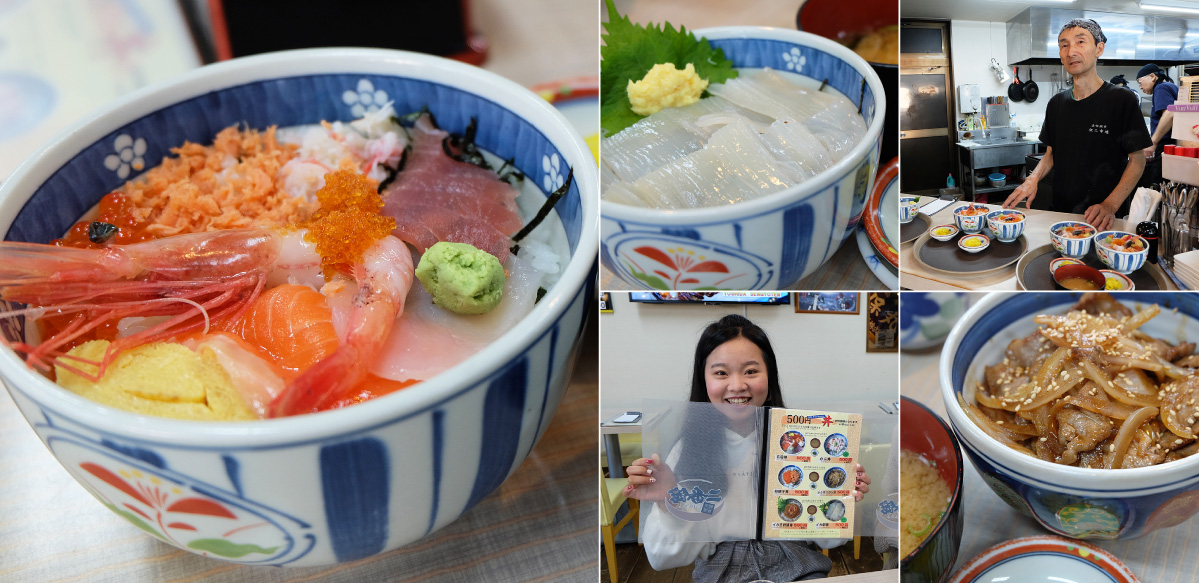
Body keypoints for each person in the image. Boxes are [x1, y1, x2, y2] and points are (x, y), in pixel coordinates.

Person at [622, 314, 872, 582]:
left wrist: (839, 497)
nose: (737, 385)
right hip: (721, 569)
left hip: (796, 562)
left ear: (770, 375)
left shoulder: (804, 441)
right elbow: (663, 559)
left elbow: (831, 539)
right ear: (704, 380)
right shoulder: (688, 449)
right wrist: (667, 502)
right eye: (720, 372)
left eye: (751, 371)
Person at [1003, 19, 1151, 230]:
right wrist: (1032, 179)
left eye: (1080, 42)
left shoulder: (1122, 100)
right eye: (1064, 45)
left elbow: (1138, 161)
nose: (1071, 51)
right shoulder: (1056, 103)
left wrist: (1110, 204)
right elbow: (1051, 154)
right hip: (1061, 214)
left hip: (1104, 218)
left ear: (1099, 48)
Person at [1138, 63, 1179, 187]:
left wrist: (1153, 142)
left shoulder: (1161, 88)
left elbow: (1170, 113)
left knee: (1159, 189)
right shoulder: (1170, 86)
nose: (1140, 87)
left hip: (1166, 147)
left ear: (1152, 76)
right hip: (1174, 146)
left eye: (1140, 82)